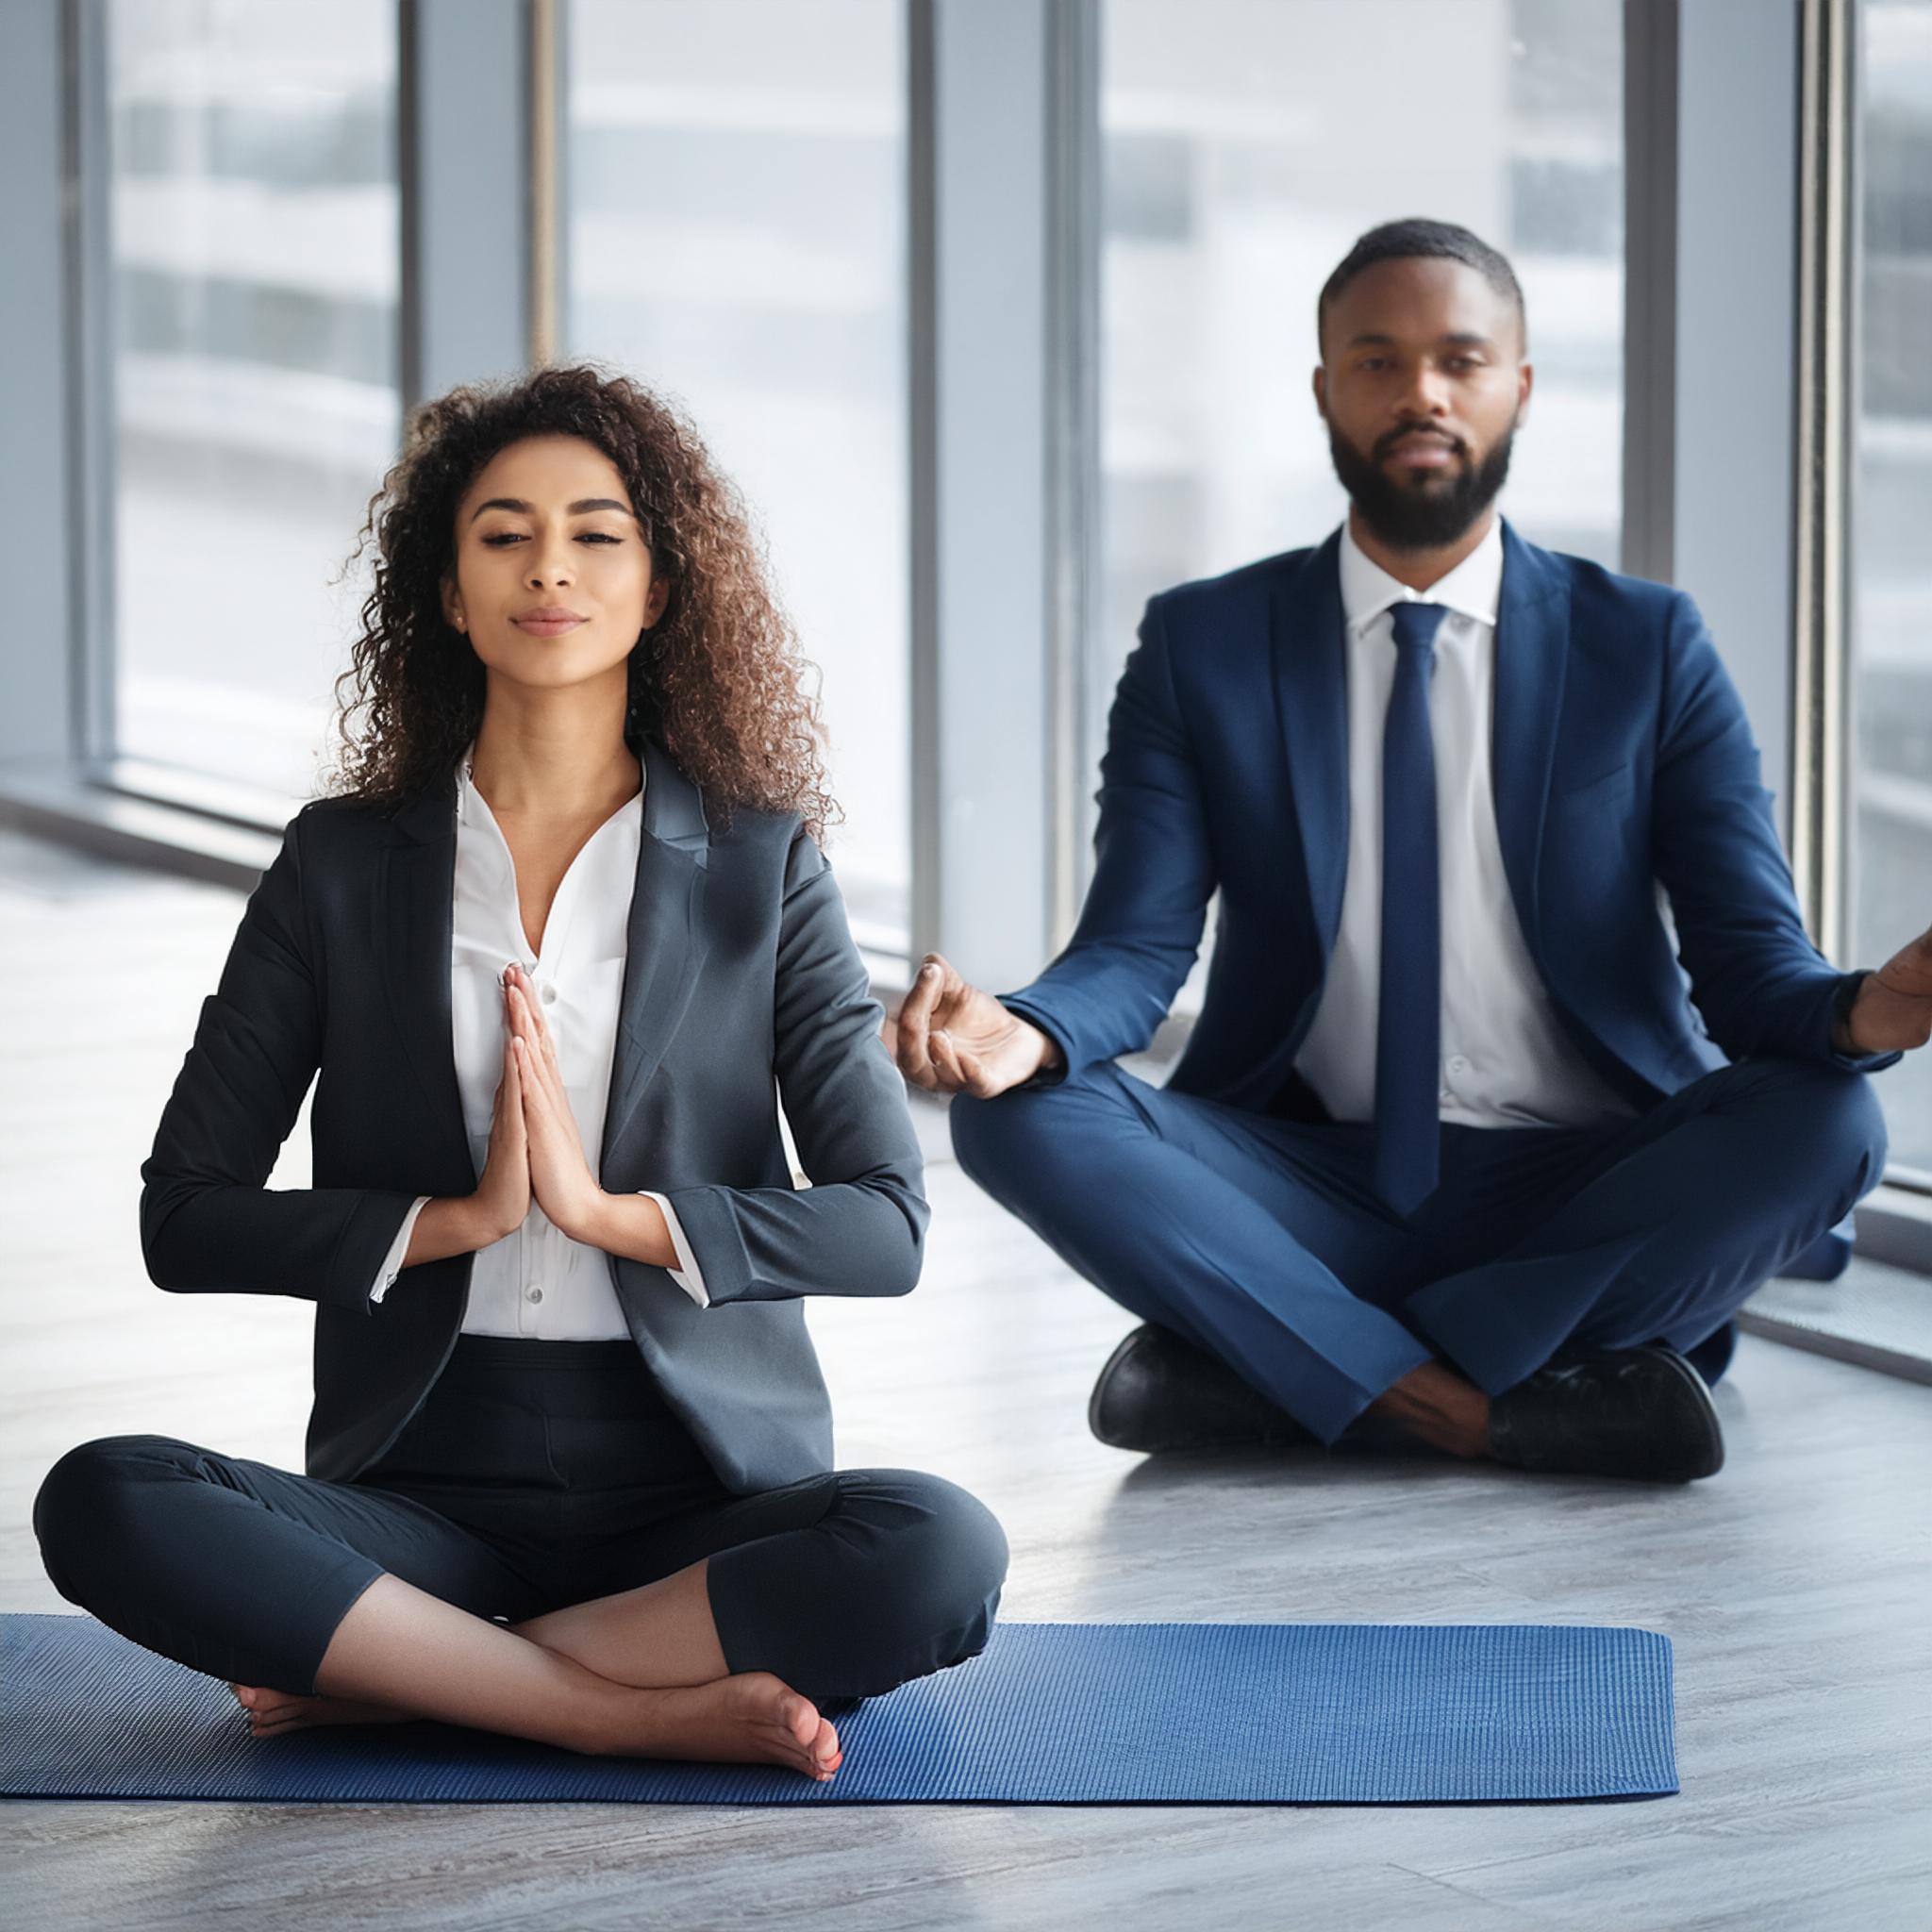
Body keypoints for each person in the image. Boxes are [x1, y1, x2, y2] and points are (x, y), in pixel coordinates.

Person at [33, 367, 1008, 1778]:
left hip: (698, 1488)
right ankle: (616, 1707)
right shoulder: (339, 865)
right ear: (446, 591)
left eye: (596, 533)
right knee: (104, 1498)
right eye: (503, 534)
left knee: (942, 1553)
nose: (550, 565)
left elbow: (887, 1226)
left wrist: (618, 1217)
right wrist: (457, 1221)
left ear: (662, 587)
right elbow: (181, 1216)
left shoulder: (762, 866)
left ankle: (408, 1674)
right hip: (421, 1487)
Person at [891, 218, 1924, 1485]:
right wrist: (1029, 1031)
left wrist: (1869, 1008)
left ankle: (1287, 1367)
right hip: (1307, 1178)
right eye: (1376, 361)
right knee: (1017, 1121)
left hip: (1585, 1179)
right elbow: (1136, 947)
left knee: (1831, 1121)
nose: (1420, 391)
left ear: (1520, 389)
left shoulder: (1644, 646)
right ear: (1325, 391)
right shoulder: (1203, 644)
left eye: (1460, 359)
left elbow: (1752, 971)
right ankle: (1500, 1405)